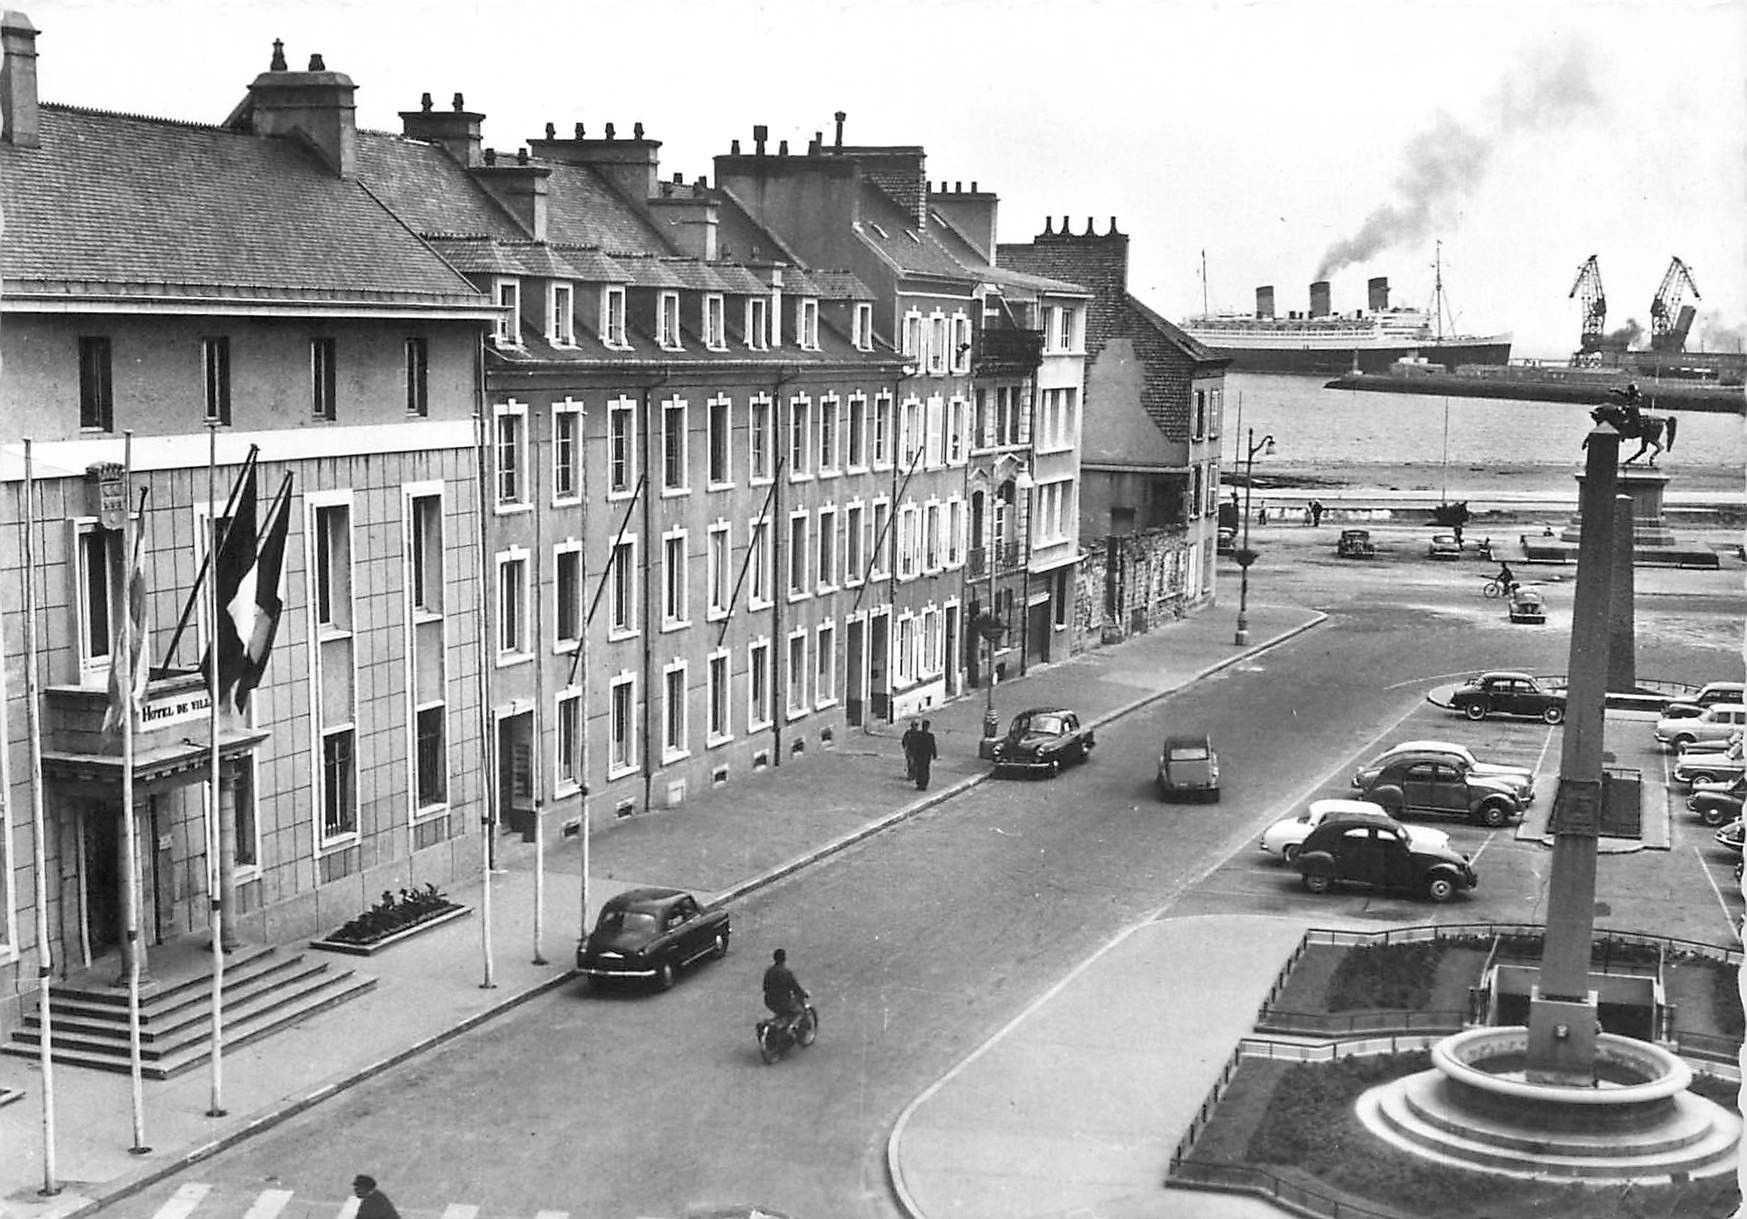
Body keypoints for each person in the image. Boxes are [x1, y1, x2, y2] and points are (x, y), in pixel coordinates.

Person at [762, 948, 809, 1031]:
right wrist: (804, 994)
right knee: (800, 1011)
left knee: (781, 1012)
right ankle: (792, 1028)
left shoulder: (769, 971)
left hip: (769, 1001)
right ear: (784, 959)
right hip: (783, 1002)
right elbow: (796, 988)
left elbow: (764, 987)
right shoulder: (786, 973)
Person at [913, 719, 939, 791]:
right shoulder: (930, 736)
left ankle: (919, 783)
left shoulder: (918, 734)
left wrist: (914, 753)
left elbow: (915, 745)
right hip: (926, 756)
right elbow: (933, 746)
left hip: (919, 755)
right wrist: (934, 754)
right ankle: (924, 784)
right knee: (925, 769)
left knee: (919, 769)